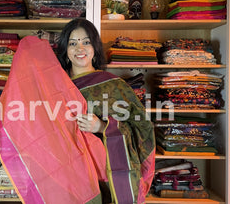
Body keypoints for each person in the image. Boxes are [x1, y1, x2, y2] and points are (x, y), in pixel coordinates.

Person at [57, 18, 156, 204]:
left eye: (86, 42)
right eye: (73, 43)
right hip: (65, 172)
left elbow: (143, 129)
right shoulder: (55, 87)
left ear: (94, 48)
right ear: (65, 50)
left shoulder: (114, 86)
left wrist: (104, 126)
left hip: (106, 173)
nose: (80, 49)